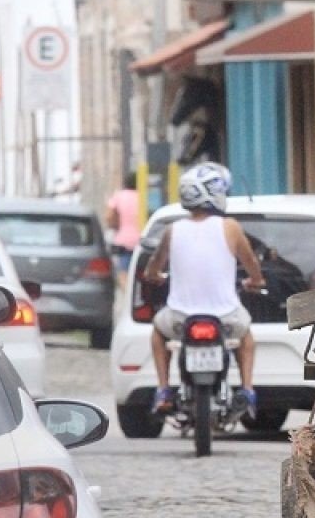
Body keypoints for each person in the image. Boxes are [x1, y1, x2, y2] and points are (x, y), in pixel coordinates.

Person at [142, 162, 266, 415]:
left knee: (157, 332)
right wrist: (256, 281)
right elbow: (250, 262)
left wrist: (154, 276)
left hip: (179, 318)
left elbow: (153, 267)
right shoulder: (230, 227)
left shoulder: (172, 230)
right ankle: (247, 389)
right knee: (246, 337)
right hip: (226, 318)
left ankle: (164, 389)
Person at [105, 174, 141, 288]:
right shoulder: (145, 196)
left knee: (123, 273)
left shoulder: (119, 196)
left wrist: (116, 226)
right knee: (140, 273)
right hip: (143, 240)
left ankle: (127, 296)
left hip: (123, 241)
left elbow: (109, 217)